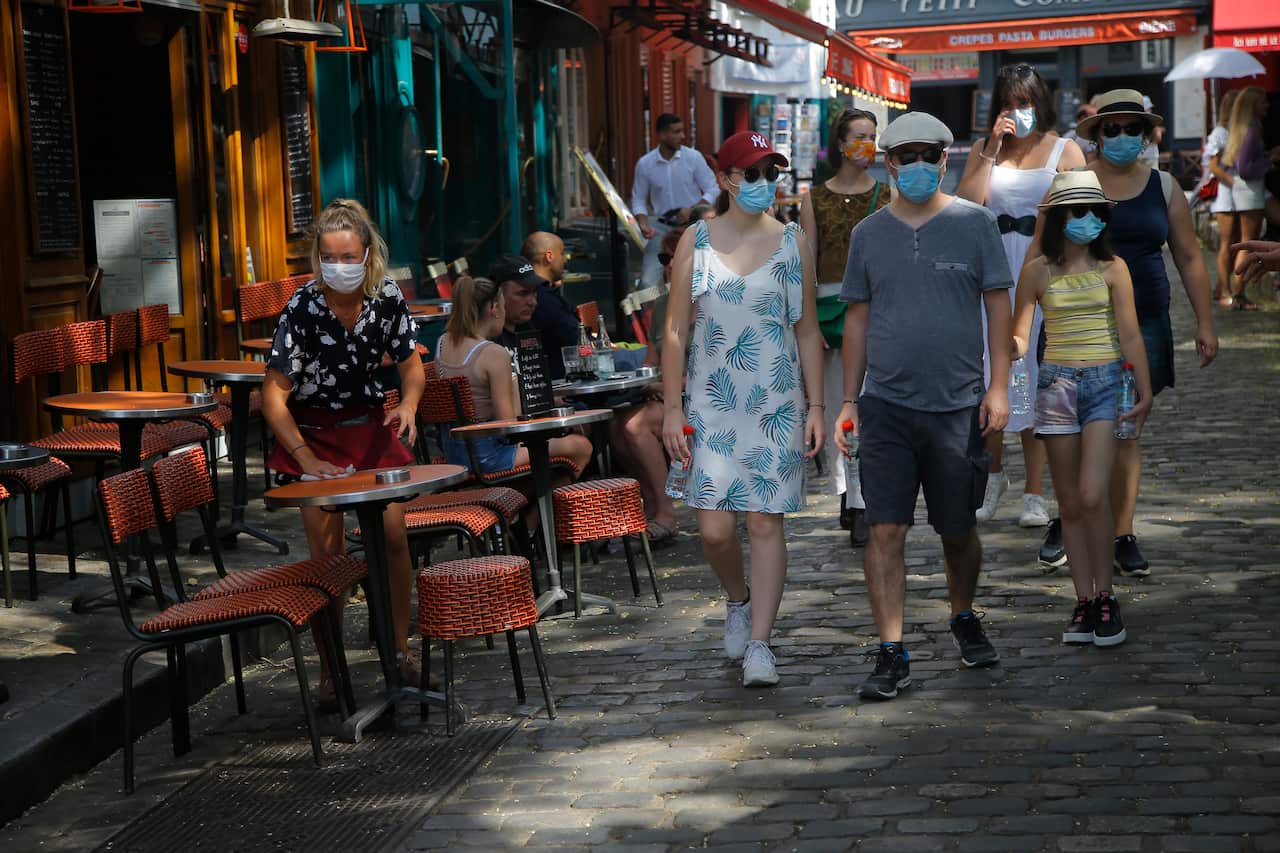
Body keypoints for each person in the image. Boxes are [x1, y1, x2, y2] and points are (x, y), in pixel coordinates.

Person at [834, 112, 1012, 701]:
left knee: (957, 529)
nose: (914, 165)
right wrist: (847, 399)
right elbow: (856, 318)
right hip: (885, 405)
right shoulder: (869, 235)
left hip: (959, 406)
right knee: (885, 528)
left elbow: (997, 307)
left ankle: (963, 614)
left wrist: (999, 388)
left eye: (926, 155)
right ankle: (891, 649)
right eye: (902, 156)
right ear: (888, 164)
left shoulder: (975, 224)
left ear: (945, 159)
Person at [661, 130, 824, 688]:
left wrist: (817, 405)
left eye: (770, 174)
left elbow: (806, 330)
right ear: (727, 178)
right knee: (712, 530)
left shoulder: (792, 241)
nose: (763, 184)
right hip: (710, 402)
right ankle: (737, 598)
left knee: (763, 521)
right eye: (751, 174)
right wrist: (669, 408)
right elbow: (677, 330)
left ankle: (761, 643)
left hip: (775, 397)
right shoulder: (696, 241)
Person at [262, 198, 424, 705]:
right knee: (327, 555)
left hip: (370, 428)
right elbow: (272, 396)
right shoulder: (301, 308)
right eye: (330, 257)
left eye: (350, 256)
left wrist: (411, 408)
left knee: (394, 537)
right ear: (317, 256)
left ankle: (399, 650)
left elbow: (411, 366)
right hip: (314, 433)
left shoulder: (387, 298)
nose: (340, 266)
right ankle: (332, 671)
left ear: (368, 254)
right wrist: (305, 459)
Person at [1075, 88, 1218, 577]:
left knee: (1127, 429)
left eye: (1129, 128)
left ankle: (1123, 532)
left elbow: (1189, 256)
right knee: (1084, 430)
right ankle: (1079, 516)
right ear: (1096, 136)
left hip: (1149, 316)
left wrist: (1204, 322)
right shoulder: (1075, 181)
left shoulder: (1164, 186)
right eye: (1110, 129)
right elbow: (1048, 252)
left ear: (1145, 134)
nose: (1120, 136)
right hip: (1085, 320)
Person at [1012, 171, 1152, 648]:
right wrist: (999, 357)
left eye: (1096, 211)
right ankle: (1085, 601)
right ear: (1057, 219)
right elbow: (1019, 333)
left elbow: (1130, 332)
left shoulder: (1114, 268)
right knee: (1069, 502)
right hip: (1056, 384)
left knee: (1093, 494)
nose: (1088, 219)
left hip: (1106, 381)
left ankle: (1107, 595)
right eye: (1077, 211)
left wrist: (1144, 391)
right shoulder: (1037, 271)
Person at [957, 62, 1085, 528]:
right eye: (1009, 105)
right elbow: (967, 206)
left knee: (1033, 377)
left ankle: (1034, 489)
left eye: (1025, 104)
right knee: (994, 373)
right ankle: (993, 475)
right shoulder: (984, 149)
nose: (1017, 113)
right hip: (993, 271)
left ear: (1041, 104)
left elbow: (1082, 214)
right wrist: (991, 148)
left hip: (1042, 269)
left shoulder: (1064, 150)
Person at [798, 107, 890, 548]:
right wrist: (809, 322)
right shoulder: (815, 198)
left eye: (872, 136)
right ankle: (851, 496)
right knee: (840, 406)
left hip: (879, 310)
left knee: (872, 407)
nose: (866, 145)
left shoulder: (888, 195)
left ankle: (862, 493)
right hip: (832, 312)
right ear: (839, 144)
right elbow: (807, 263)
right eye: (858, 136)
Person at [435, 275, 593, 474]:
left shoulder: (442, 343)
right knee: (580, 446)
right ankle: (534, 506)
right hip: (489, 457)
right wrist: (517, 382)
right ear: (494, 309)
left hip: (454, 454)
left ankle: (522, 502)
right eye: (502, 306)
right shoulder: (493, 353)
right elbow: (508, 424)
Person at [632, 113, 719, 287]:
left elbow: (713, 188)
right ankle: (654, 314)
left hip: (692, 225)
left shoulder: (693, 158)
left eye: (682, 131)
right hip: (660, 226)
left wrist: (693, 210)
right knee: (647, 283)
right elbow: (638, 200)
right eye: (676, 132)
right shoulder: (645, 164)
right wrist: (642, 224)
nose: (682, 136)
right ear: (662, 135)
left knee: (699, 277)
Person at [1222, 86, 1270, 311]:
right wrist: (1269, 162)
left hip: (1247, 191)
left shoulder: (1245, 129)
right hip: (1250, 191)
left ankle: (1238, 293)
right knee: (1247, 242)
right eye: (1263, 102)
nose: (1267, 106)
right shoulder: (1251, 130)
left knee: (1246, 241)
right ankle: (1239, 294)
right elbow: (1244, 168)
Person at [505, 243, 581, 379]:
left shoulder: (528, 330)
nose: (533, 302)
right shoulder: (487, 343)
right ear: (498, 297)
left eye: (534, 293)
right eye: (523, 293)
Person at [1206, 89, 1243, 307]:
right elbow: (1213, 166)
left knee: (1236, 241)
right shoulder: (1220, 132)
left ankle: (1221, 287)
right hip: (1226, 193)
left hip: (1234, 190)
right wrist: (1233, 183)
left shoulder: (1238, 130)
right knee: (1226, 242)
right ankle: (1224, 290)